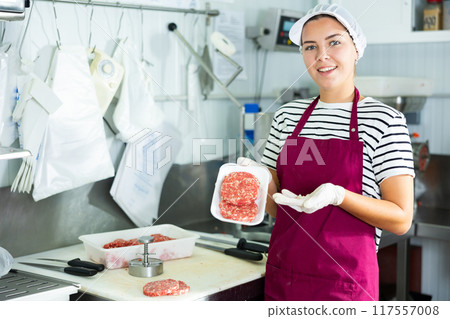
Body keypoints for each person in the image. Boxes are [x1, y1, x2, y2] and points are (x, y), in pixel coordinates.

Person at [242, 4, 415, 301]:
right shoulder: (287, 117)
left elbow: (400, 219)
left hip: (345, 285)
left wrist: (339, 196)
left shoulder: (384, 120)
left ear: (356, 49)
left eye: (334, 42)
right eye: (310, 47)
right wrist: (252, 179)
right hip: (286, 278)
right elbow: (275, 206)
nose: (321, 56)